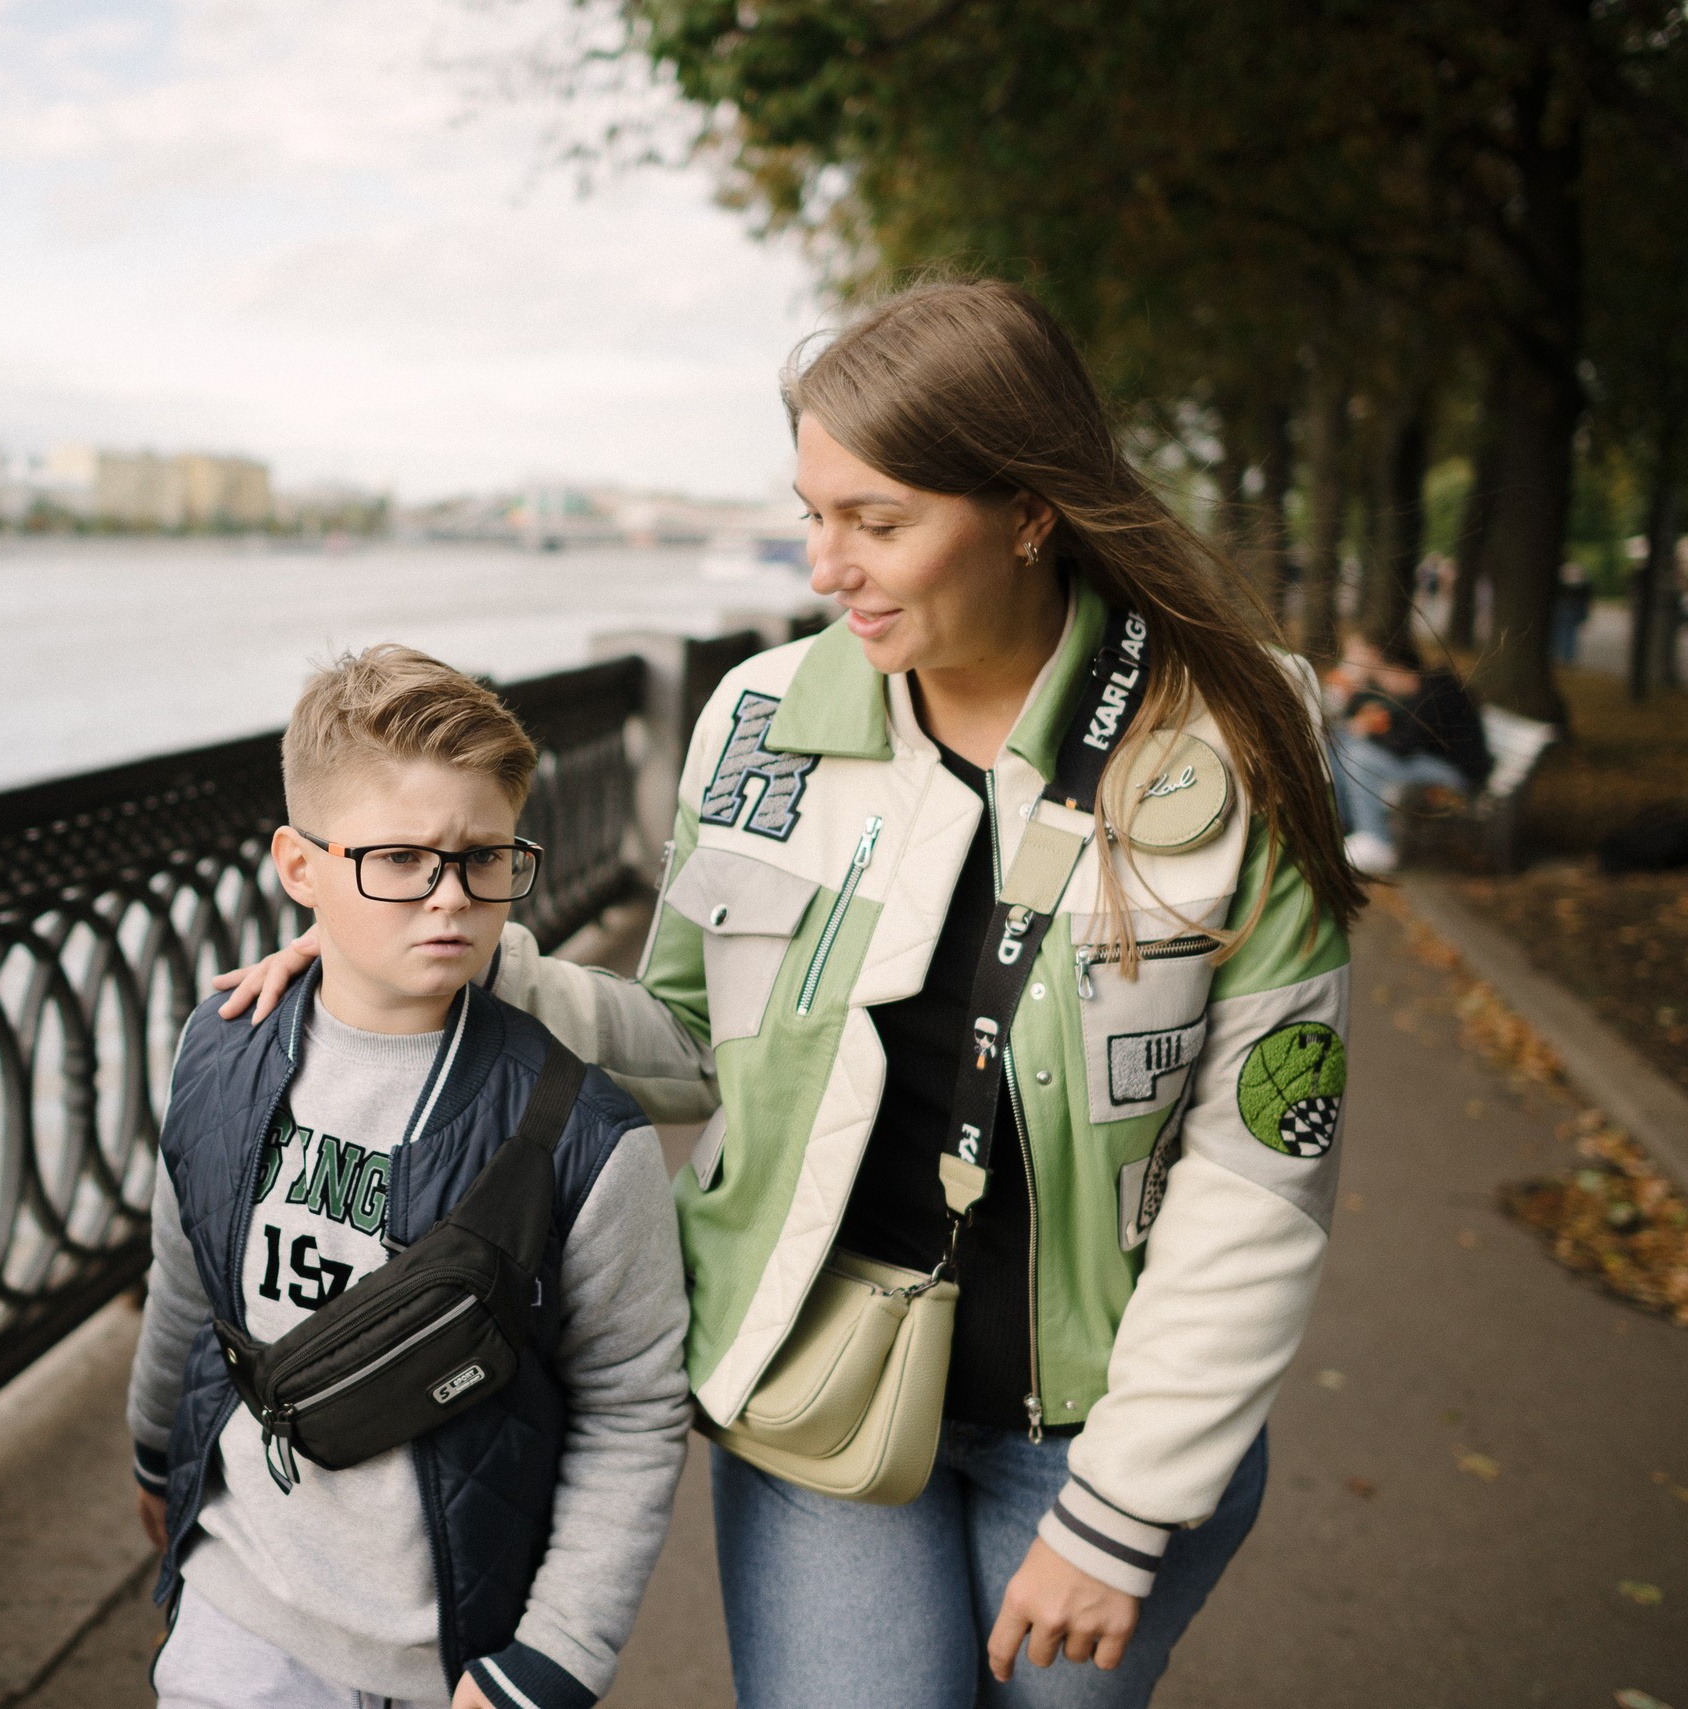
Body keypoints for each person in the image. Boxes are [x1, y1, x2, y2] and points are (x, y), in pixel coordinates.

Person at [221, 279, 1366, 1706]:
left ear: (1028, 511)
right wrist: (445, 960)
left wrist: (1123, 1511)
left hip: (1104, 1436)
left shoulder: (1243, 730)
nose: (826, 565)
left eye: (878, 523)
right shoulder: (759, 721)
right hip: (814, 1389)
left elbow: (1262, 1169)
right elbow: (695, 1048)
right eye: (815, 511)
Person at [128, 645, 692, 1709]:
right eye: (398, 860)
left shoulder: (580, 1135)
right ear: (301, 869)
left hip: (450, 1659)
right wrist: (159, 1454)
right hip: (236, 1610)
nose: (450, 898)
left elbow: (633, 1404)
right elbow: (186, 1280)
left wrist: (554, 1656)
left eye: (484, 857)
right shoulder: (221, 1048)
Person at [1324, 631, 1491, 875]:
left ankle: (1377, 842)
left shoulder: (1438, 690)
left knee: (1359, 755)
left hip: (1458, 777)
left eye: (1380, 677)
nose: (1380, 686)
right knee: (1340, 742)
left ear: (1397, 668)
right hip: (1430, 763)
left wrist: (1368, 731)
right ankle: (1341, 826)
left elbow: (1403, 745)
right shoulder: (1422, 690)